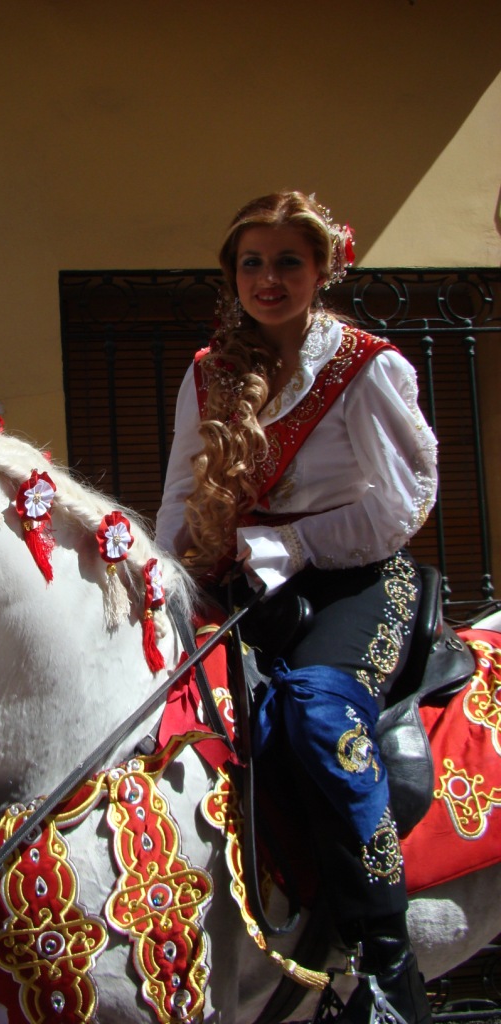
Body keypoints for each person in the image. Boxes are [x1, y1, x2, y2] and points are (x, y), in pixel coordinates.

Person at [155, 191, 438, 1024]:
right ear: (232, 274)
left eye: (287, 261)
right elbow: (177, 495)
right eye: (252, 262)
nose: (268, 278)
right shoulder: (209, 370)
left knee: (318, 717)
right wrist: (167, 580)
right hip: (238, 582)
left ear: (322, 269)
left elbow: (403, 503)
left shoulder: (367, 365)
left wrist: (289, 547)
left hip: (353, 578)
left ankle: (389, 971)